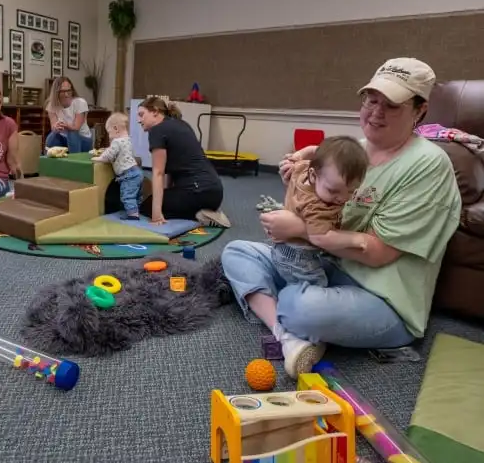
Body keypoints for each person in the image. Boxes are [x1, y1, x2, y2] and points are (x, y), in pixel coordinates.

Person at [220, 57, 461, 378]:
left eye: (391, 106)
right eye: (371, 100)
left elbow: (378, 254)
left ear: (420, 111)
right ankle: (288, 336)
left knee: (299, 306)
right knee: (237, 252)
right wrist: (300, 183)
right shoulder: (354, 152)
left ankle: (291, 320)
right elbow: (319, 204)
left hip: (384, 300)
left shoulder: (429, 164)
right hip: (328, 267)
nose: (375, 112)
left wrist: (301, 230)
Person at [271, 136, 369, 286]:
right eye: (333, 191)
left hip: (283, 249)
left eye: (351, 191)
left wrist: (297, 156)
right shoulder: (317, 207)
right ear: (313, 175)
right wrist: (357, 239)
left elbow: (313, 150)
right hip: (299, 257)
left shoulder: (301, 168)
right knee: (318, 285)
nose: (342, 199)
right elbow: (320, 238)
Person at [128, 96, 230, 227]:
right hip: (215, 192)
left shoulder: (157, 130)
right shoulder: (181, 124)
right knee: (163, 201)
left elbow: (158, 173)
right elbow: (170, 172)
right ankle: (206, 209)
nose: (139, 120)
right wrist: (166, 198)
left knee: (145, 207)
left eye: (142, 115)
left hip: (197, 192)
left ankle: (199, 214)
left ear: (155, 111)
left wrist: (156, 214)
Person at [91, 112, 142, 220]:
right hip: (136, 172)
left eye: (109, 132)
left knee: (127, 196)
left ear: (115, 128)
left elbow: (109, 156)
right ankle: (137, 210)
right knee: (136, 195)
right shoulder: (128, 140)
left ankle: (133, 216)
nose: (109, 135)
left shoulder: (117, 142)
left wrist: (99, 158)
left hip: (128, 174)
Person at [44, 76, 92, 153]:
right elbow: (53, 126)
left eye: (69, 90)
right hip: (64, 138)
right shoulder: (52, 105)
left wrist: (65, 125)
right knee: (51, 137)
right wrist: (56, 127)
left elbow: (76, 127)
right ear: (56, 92)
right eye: (63, 91)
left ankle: (74, 162)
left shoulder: (80, 103)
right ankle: (50, 162)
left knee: (72, 134)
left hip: (82, 139)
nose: (66, 94)